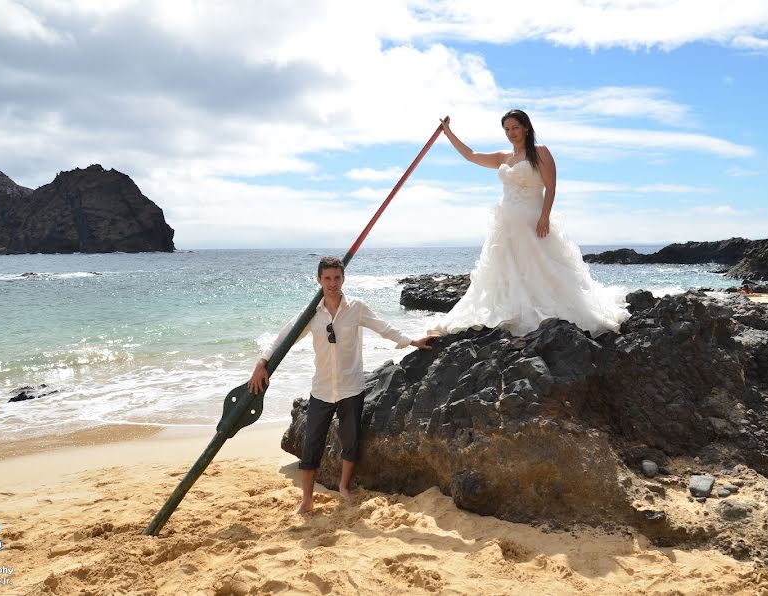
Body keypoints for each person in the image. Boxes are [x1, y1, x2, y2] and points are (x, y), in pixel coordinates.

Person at [248, 256, 434, 514]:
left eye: (337, 278)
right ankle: (307, 499)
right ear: (319, 280)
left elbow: (384, 327)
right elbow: (284, 337)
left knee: (351, 440)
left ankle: (344, 487)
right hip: (322, 389)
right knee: (311, 444)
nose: (332, 283)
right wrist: (262, 362)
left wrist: (412, 341)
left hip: (351, 387)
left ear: (343, 279)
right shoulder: (311, 314)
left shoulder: (356, 308)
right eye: (327, 278)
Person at [429, 110, 630, 337]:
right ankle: (511, 312)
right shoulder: (503, 157)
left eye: (515, 127)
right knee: (507, 270)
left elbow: (551, 186)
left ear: (525, 127)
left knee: (540, 267)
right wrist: (448, 132)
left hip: (533, 221)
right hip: (505, 224)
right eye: (507, 129)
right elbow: (471, 155)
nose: (511, 133)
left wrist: (545, 216)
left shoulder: (540, 152)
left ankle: (546, 317)